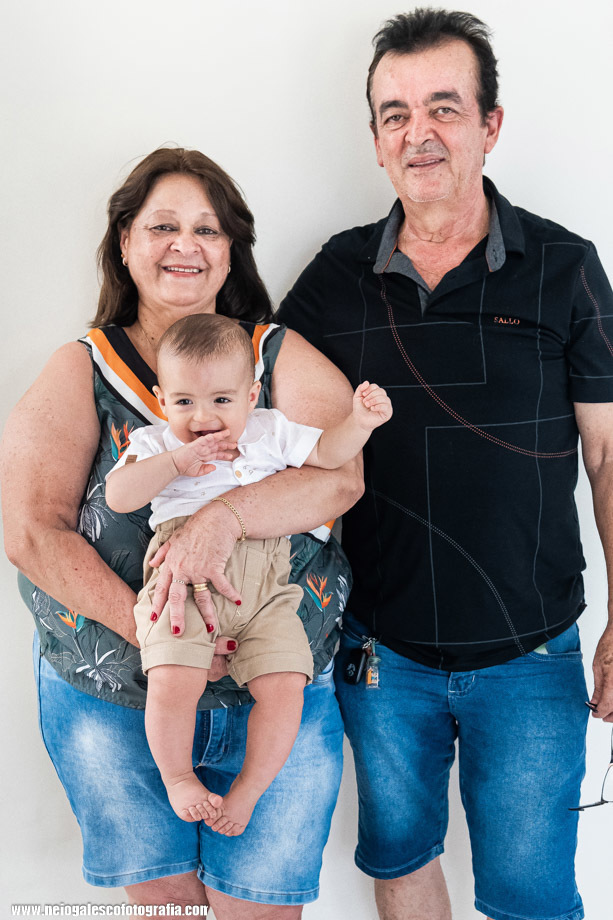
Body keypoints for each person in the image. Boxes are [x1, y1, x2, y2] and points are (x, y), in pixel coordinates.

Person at [278, 9, 613, 920]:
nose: (416, 132)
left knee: (530, 897)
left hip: (531, 652)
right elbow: (262, 417)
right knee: (398, 861)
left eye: (442, 107)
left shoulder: (564, 267)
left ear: (489, 126)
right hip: (380, 652)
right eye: (394, 114)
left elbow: (606, 452)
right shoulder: (335, 277)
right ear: (375, 141)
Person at [1, 146, 364, 918]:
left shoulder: (274, 355)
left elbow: (339, 479)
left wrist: (220, 520)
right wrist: (153, 629)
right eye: (162, 226)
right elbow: (31, 531)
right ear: (124, 242)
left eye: (207, 228)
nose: (185, 245)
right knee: (167, 904)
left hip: (276, 681)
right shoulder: (82, 367)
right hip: (116, 697)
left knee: (262, 905)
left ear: (231, 249)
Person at [106, 311, 391, 835]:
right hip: (184, 580)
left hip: (267, 587)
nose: (203, 417)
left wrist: (359, 423)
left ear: (252, 395)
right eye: (184, 402)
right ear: (161, 400)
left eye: (221, 399)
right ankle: (178, 778)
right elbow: (119, 495)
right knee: (173, 678)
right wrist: (176, 463)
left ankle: (249, 790)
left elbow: (328, 455)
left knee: (286, 684)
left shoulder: (269, 431)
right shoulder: (156, 443)